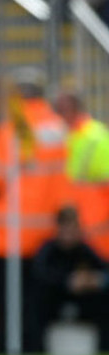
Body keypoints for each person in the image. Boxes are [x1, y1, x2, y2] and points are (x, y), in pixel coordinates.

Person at [0, 67, 68, 353]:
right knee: (39, 301)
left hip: (9, 234)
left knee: (8, 306)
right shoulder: (58, 129)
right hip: (47, 233)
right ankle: (36, 349)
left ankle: (8, 349)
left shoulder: (9, 130)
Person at [33, 206, 108, 343]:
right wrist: (67, 281)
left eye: (73, 228)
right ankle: (35, 349)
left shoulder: (84, 249)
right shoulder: (48, 249)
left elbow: (103, 270)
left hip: (84, 300)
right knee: (36, 304)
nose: (69, 233)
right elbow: (41, 274)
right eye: (65, 227)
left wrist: (94, 280)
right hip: (53, 300)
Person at [56, 91, 109, 261]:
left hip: (94, 221)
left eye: (60, 110)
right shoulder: (65, 135)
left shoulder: (95, 136)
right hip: (73, 220)